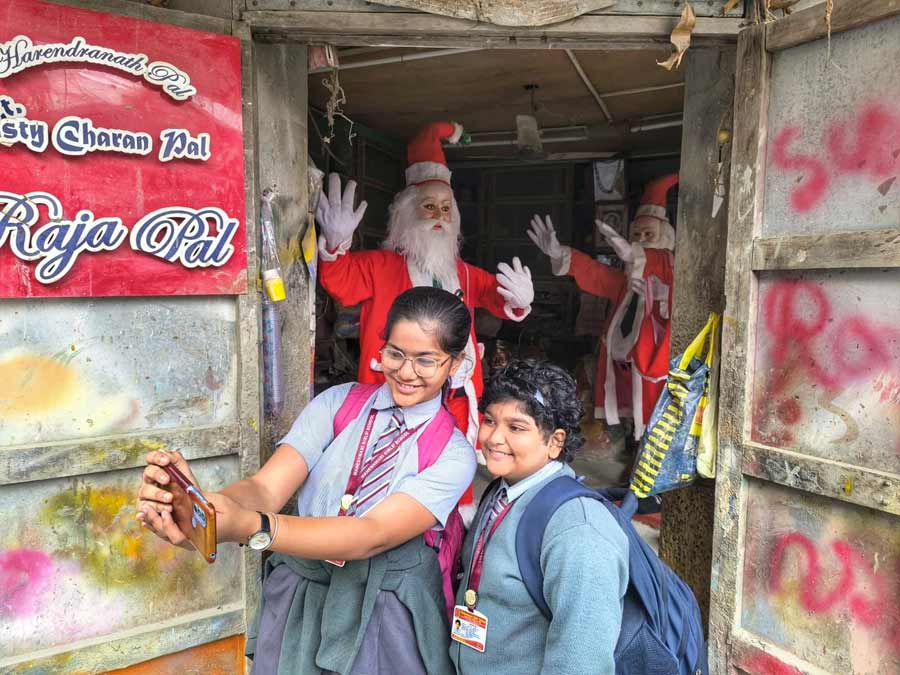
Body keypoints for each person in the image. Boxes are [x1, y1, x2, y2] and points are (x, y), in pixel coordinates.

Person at [136, 287, 477, 675]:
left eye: (426, 360)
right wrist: (204, 508)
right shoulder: (338, 403)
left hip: (382, 607)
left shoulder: (453, 454)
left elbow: (371, 534)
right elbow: (266, 488)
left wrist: (253, 526)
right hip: (302, 592)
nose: (406, 371)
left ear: (455, 363)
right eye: (395, 353)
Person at [317, 121, 534, 455]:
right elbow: (342, 280)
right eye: (429, 206)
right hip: (396, 385)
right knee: (390, 460)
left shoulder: (462, 272)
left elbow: (495, 294)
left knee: (452, 460)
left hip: (455, 390)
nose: (440, 217)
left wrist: (518, 301)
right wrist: (335, 244)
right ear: (407, 214)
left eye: (446, 209)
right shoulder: (382, 265)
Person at [450, 360, 629, 675]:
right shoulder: (501, 490)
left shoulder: (579, 530)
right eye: (490, 421)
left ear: (555, 442)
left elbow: (581, 663)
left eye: (516, 428)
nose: (494, 438)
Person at [527, 174, 678, 451]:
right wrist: (561, 253)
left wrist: (635, 254)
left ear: (665, 239)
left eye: (649, 236)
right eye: (637, 235)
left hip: (654, 364)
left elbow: (658, 262)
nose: (641, 241)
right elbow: (596, 275)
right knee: (627, 419)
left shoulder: (671, 271)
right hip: (622, 363)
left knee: (657, 421)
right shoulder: (625, 279)